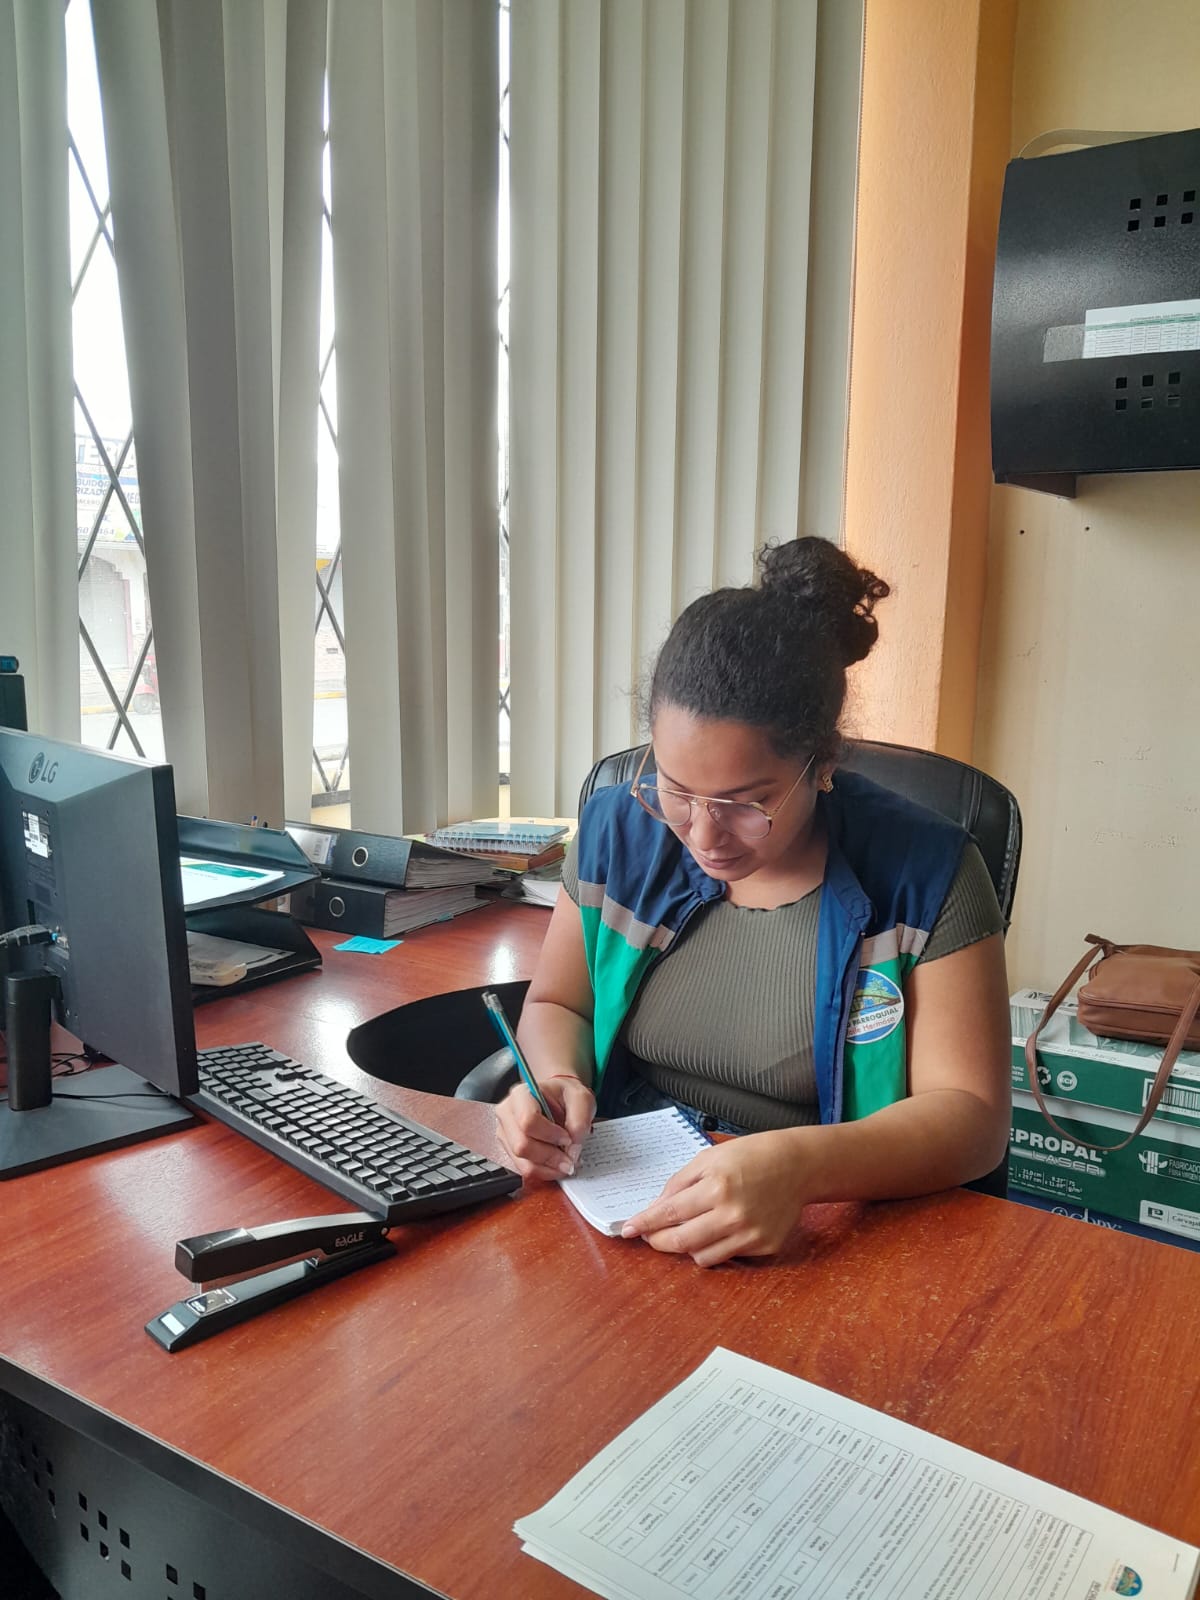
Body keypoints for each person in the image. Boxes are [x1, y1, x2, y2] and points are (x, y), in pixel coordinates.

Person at [495, 536, 1011, 1267]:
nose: (704, 836)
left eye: (745, 803)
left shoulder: (927, 873)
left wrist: (801, 1167)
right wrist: (556, 1083)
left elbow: (972, 1117)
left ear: (822, 765)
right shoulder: (617, 832)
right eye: (675, 789)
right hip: (627, 1206)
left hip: (824, 1223)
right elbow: (559, 1004)